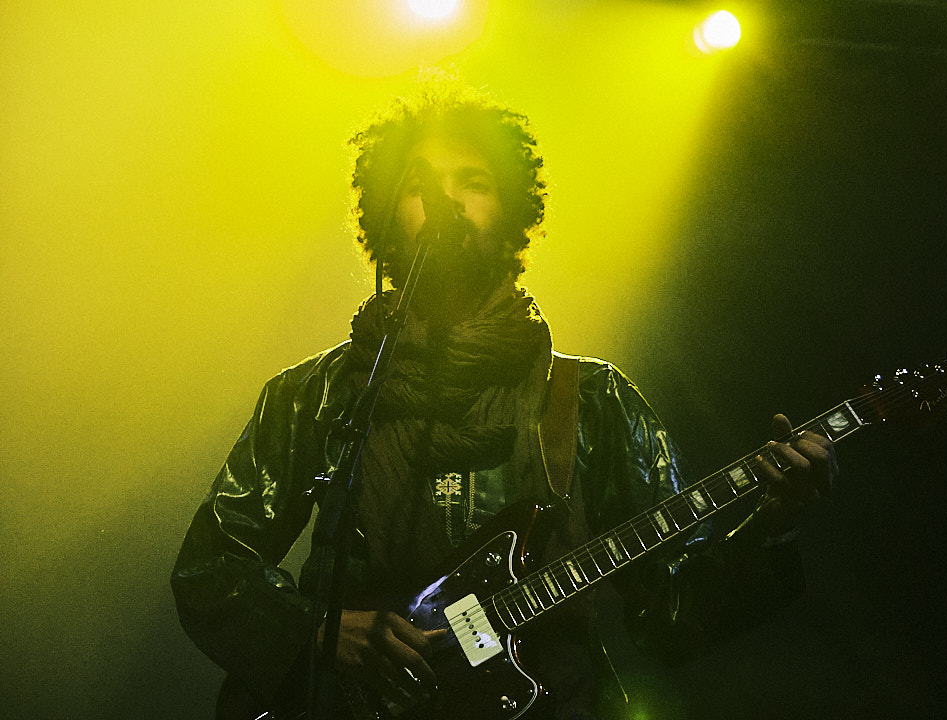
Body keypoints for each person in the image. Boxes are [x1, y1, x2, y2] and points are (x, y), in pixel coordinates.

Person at [172, 76, 838, 720]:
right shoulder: (314, 395)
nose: (446, 201)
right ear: (381, 216)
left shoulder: (594, 401)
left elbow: (671, 613)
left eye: (474, 182)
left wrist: (771, 523)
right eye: (418, 186)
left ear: (516, 212)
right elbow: (210, 566)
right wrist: (317, 632)